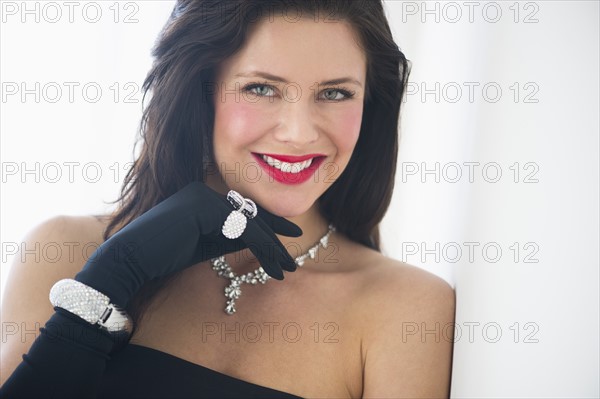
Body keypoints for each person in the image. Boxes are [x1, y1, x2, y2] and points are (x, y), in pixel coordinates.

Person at [0, 0, 455, 397]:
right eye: (261, 88)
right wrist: (112, 277)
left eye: (335, 93)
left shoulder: (405, 309)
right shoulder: (65, 250)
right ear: (200, 93)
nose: (298, 133)